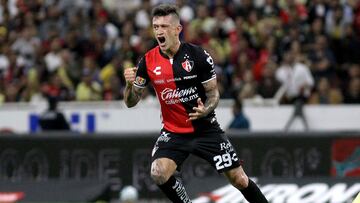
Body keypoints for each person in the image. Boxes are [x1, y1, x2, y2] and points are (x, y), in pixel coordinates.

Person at [123, 4, 268, 203]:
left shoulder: (198, 56)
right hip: (174, 132)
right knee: (158, 172)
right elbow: (131, 102)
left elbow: (213, 94)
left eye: (164, 26)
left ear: (177, 29)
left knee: (239, 180)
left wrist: (205, 109)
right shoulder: (147, 62)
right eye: (156, 27)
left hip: (206, 129)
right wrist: (129, 85)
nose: (159, 31)